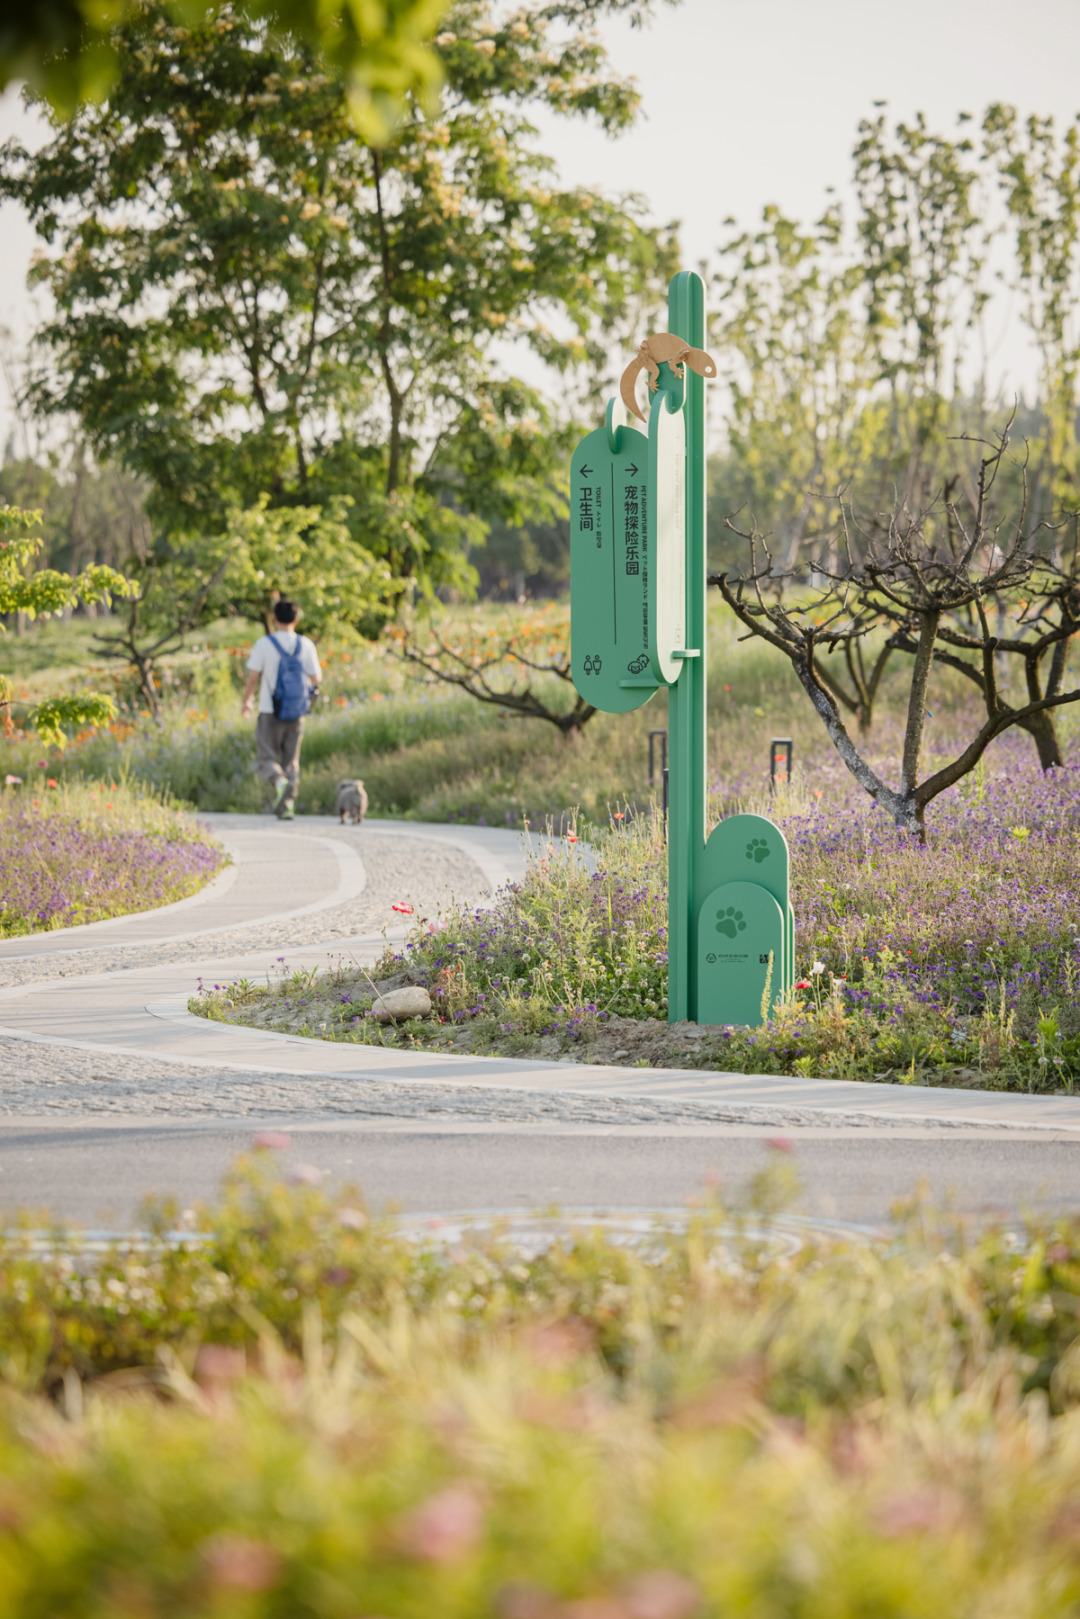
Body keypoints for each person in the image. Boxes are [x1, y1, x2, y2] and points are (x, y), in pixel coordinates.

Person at [241, 600, 322, 819]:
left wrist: (246, 701)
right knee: (291, 760)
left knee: (266, 757)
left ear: (274, 618)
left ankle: (278, 781)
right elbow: (316, 678)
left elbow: (252, 678)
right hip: (297, 712)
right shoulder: (306, 645)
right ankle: (287, 806)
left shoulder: (264, 644)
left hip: (270, 709)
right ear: (296, 619)